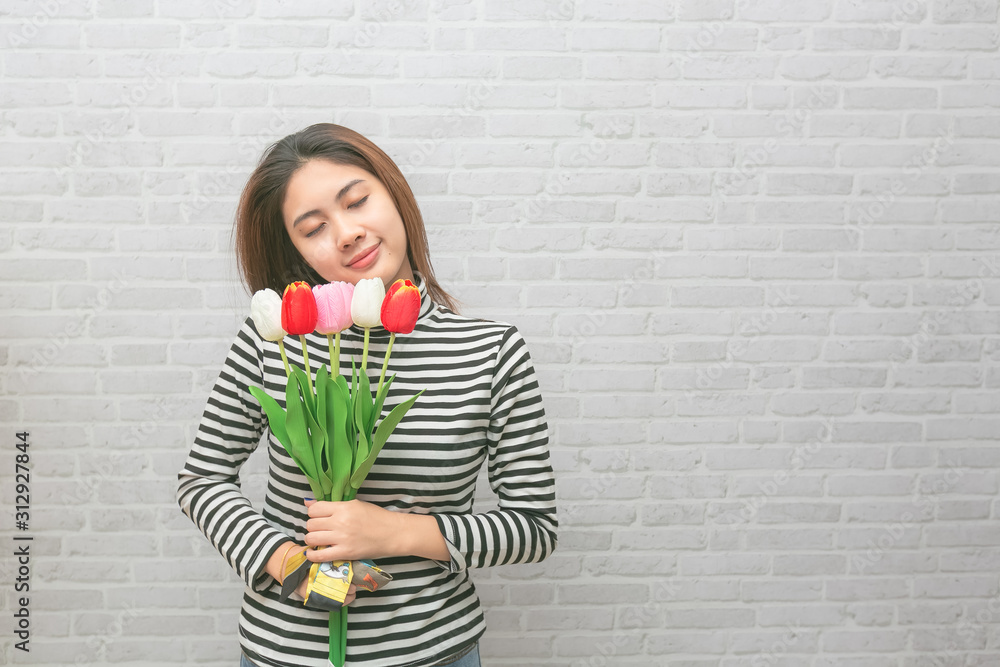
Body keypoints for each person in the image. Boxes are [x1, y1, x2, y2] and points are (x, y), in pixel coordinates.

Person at [175, 123, 559, 667]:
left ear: (394, 195)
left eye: (357, 201)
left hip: (435, 651)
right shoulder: (278, 339)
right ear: (298, 251)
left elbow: (533, 528)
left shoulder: (491, 350)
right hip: (285, 653)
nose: (347, 233)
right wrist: (286, 562)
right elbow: (202, 479)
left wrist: (394, 531)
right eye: (313, 229)